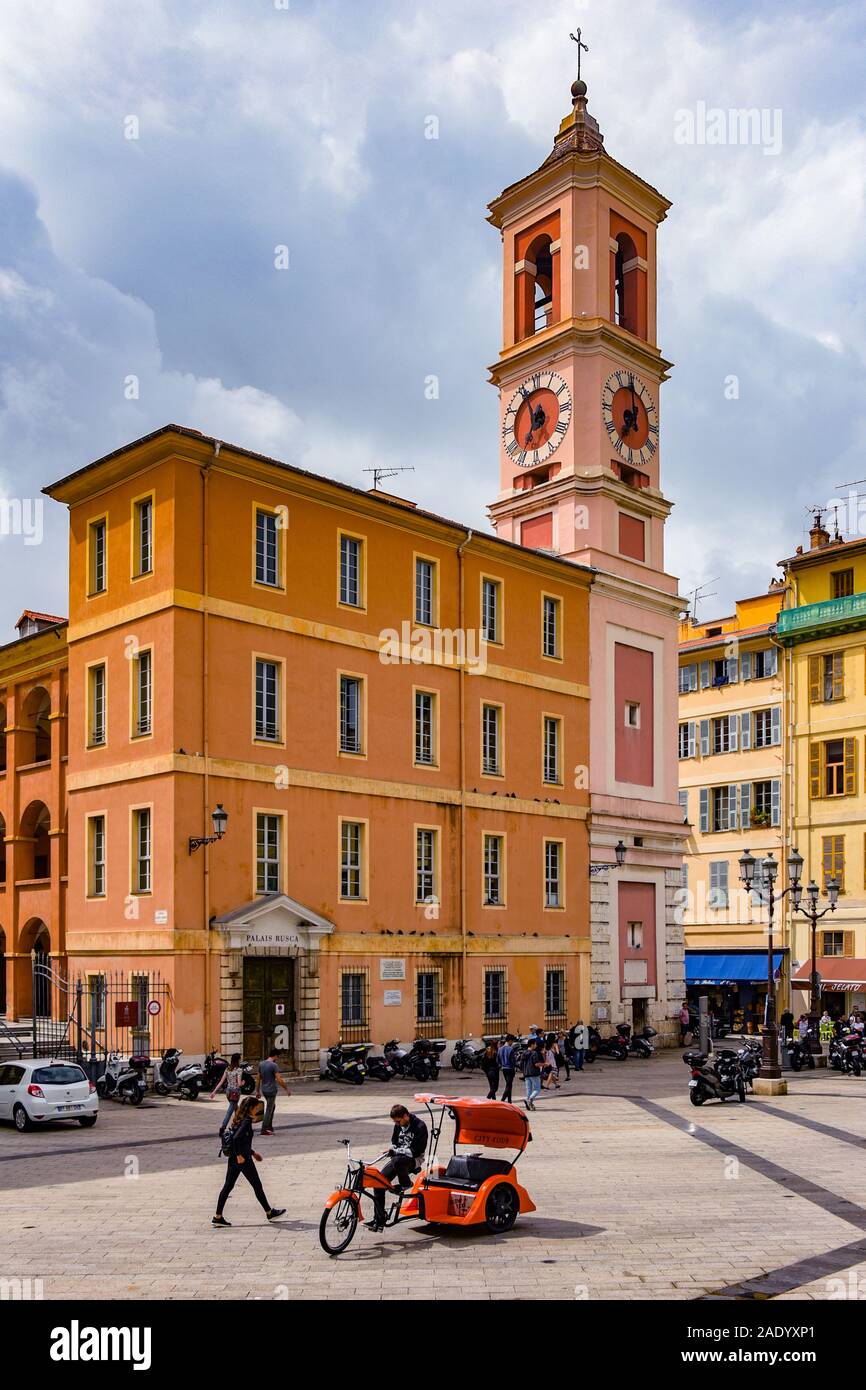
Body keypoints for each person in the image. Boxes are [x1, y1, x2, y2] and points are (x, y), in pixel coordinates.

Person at [212, 1096, 286, 1227]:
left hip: (234, 1158)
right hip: (243, 1160)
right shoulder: (246, 1121)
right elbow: (236, 1139)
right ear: (251, 1108)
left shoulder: (238, 1119)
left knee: (228, 1186)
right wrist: (241, 1155)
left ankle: (218, 1216)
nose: (258, 1109)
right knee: (257, 1185)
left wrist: (253, 1153)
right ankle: (269, 1212)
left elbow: (241, 1141)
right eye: (256, 1107)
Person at [367, 1104, 428, 1232]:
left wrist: (396, 1152)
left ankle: (405, 1184)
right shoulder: (398, 1125)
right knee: (378, 1182)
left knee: (398, 1160)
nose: (398, 1124)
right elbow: (394, 1142)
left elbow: (416, 1151)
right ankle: (379, 1219)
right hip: (397, 1160)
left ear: (406, 1116)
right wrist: (391, 1150)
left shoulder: (420, 1127)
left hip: (414, 1160)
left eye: (399, 1121)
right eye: (395, 1122)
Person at [256, 1048, 292, 1135]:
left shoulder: (261, 1064)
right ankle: (264, 1128)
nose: (278, 1058)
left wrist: (257, 1091)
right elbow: (279, 1079)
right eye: (277, 1056)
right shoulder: (273, 1065)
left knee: (272, 1106)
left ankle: (269, 1126)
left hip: (264, 1090)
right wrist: (286, 1089)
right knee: (269, 1109)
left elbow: (258, 1078)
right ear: (275, 1056)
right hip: (271, 1090)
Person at [211, 1052, 243, 1135]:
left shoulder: (228, 1069)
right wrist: (243, 1082)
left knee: (237, 1109)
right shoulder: (239, 1070)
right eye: (240, 1058)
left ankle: (238, 1125)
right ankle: (223, 1127)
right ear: (238, 1060)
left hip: (228, 1091)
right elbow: (239, 1083)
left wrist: (214, 1091)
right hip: (235, 1092)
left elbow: (221, 1081)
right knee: (230, 1111)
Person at [522, 1038, 542, 1111]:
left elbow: (521, 1064)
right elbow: (536, 1064)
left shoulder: (524, 1053)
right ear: (532, 1044)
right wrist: (544, 1064)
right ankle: (529, 1100)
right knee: (537, 1089)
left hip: (526, 1073)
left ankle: (529, 1104)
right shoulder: (534, 1053)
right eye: (535, 1044)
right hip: (534, 1073)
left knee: (529, 1089)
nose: (536, 1045)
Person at [497, 1034, 517, 1103]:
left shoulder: (500, 1049)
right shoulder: (511, 1049)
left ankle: (509, 1100)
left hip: (504, 1069)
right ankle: (502, 1100)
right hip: (510, 1069)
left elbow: (498, 1060)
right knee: (509, 1085)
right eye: (512, 1041)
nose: (512, 1043)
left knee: (509, 1084)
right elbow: (513, 1061)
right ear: (510, 1041)